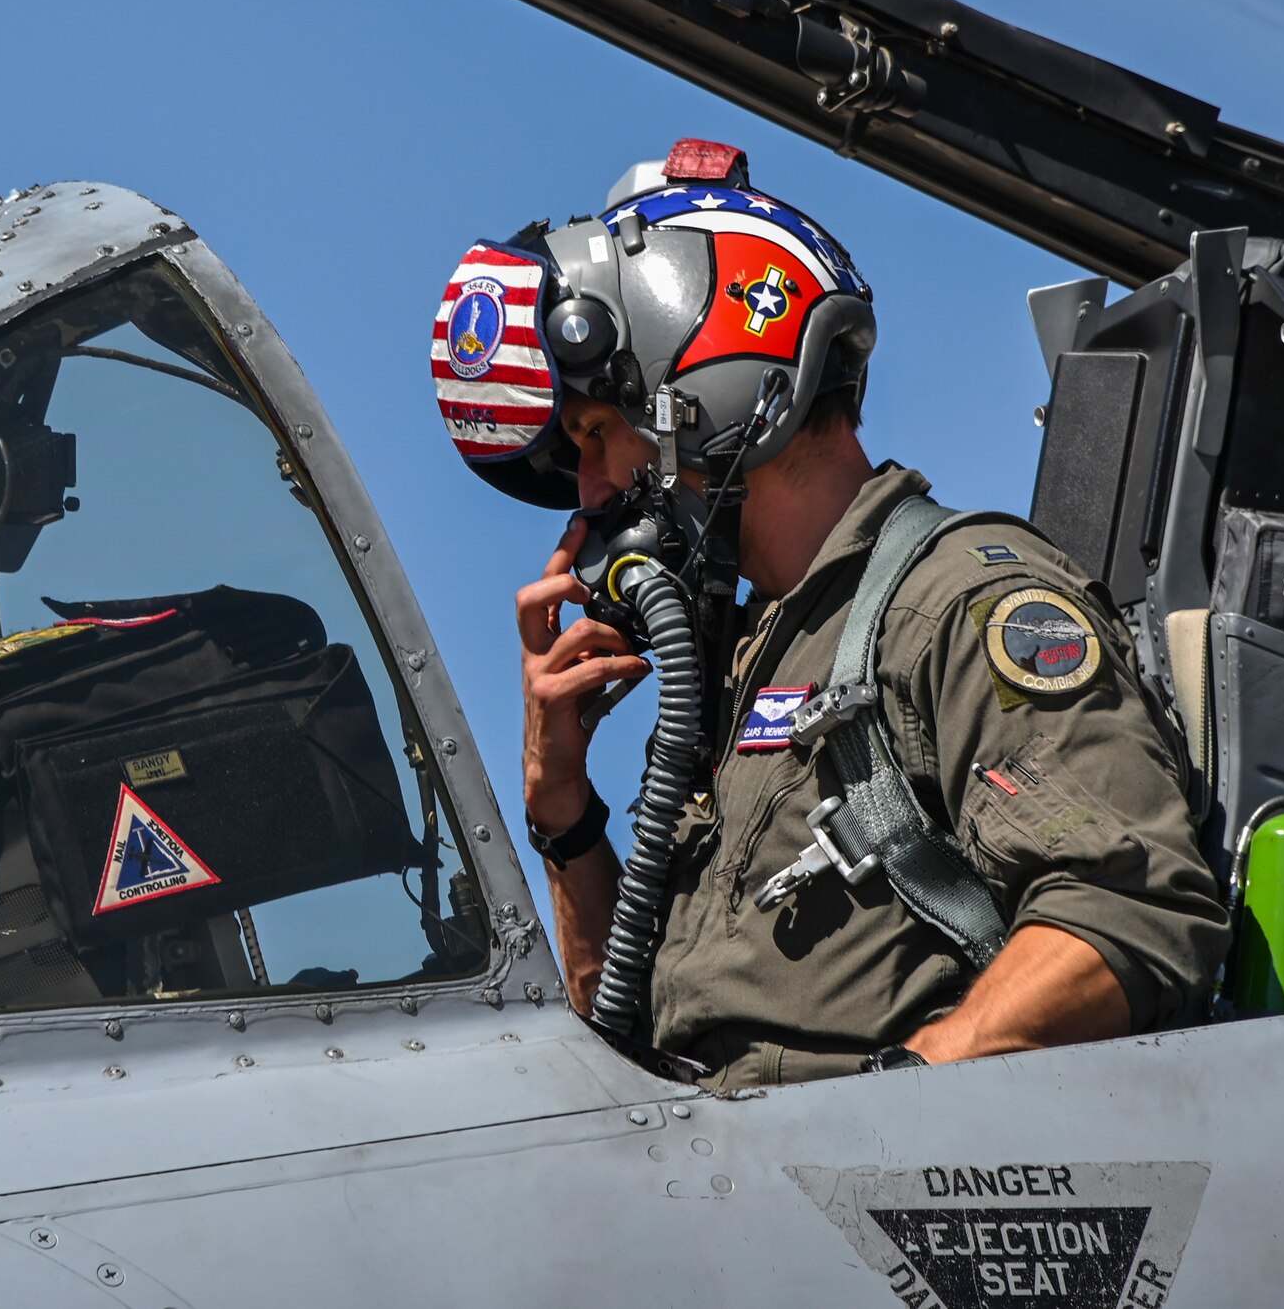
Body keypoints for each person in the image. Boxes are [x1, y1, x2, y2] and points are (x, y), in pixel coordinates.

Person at [431, 140, 1229, 1087]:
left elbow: (1126, 908)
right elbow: (623, 1042)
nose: (593, 490)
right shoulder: (743, 660)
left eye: (599, 435)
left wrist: (892, 1110)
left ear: (710, 396)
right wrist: (562, 811)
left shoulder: (957, 602)